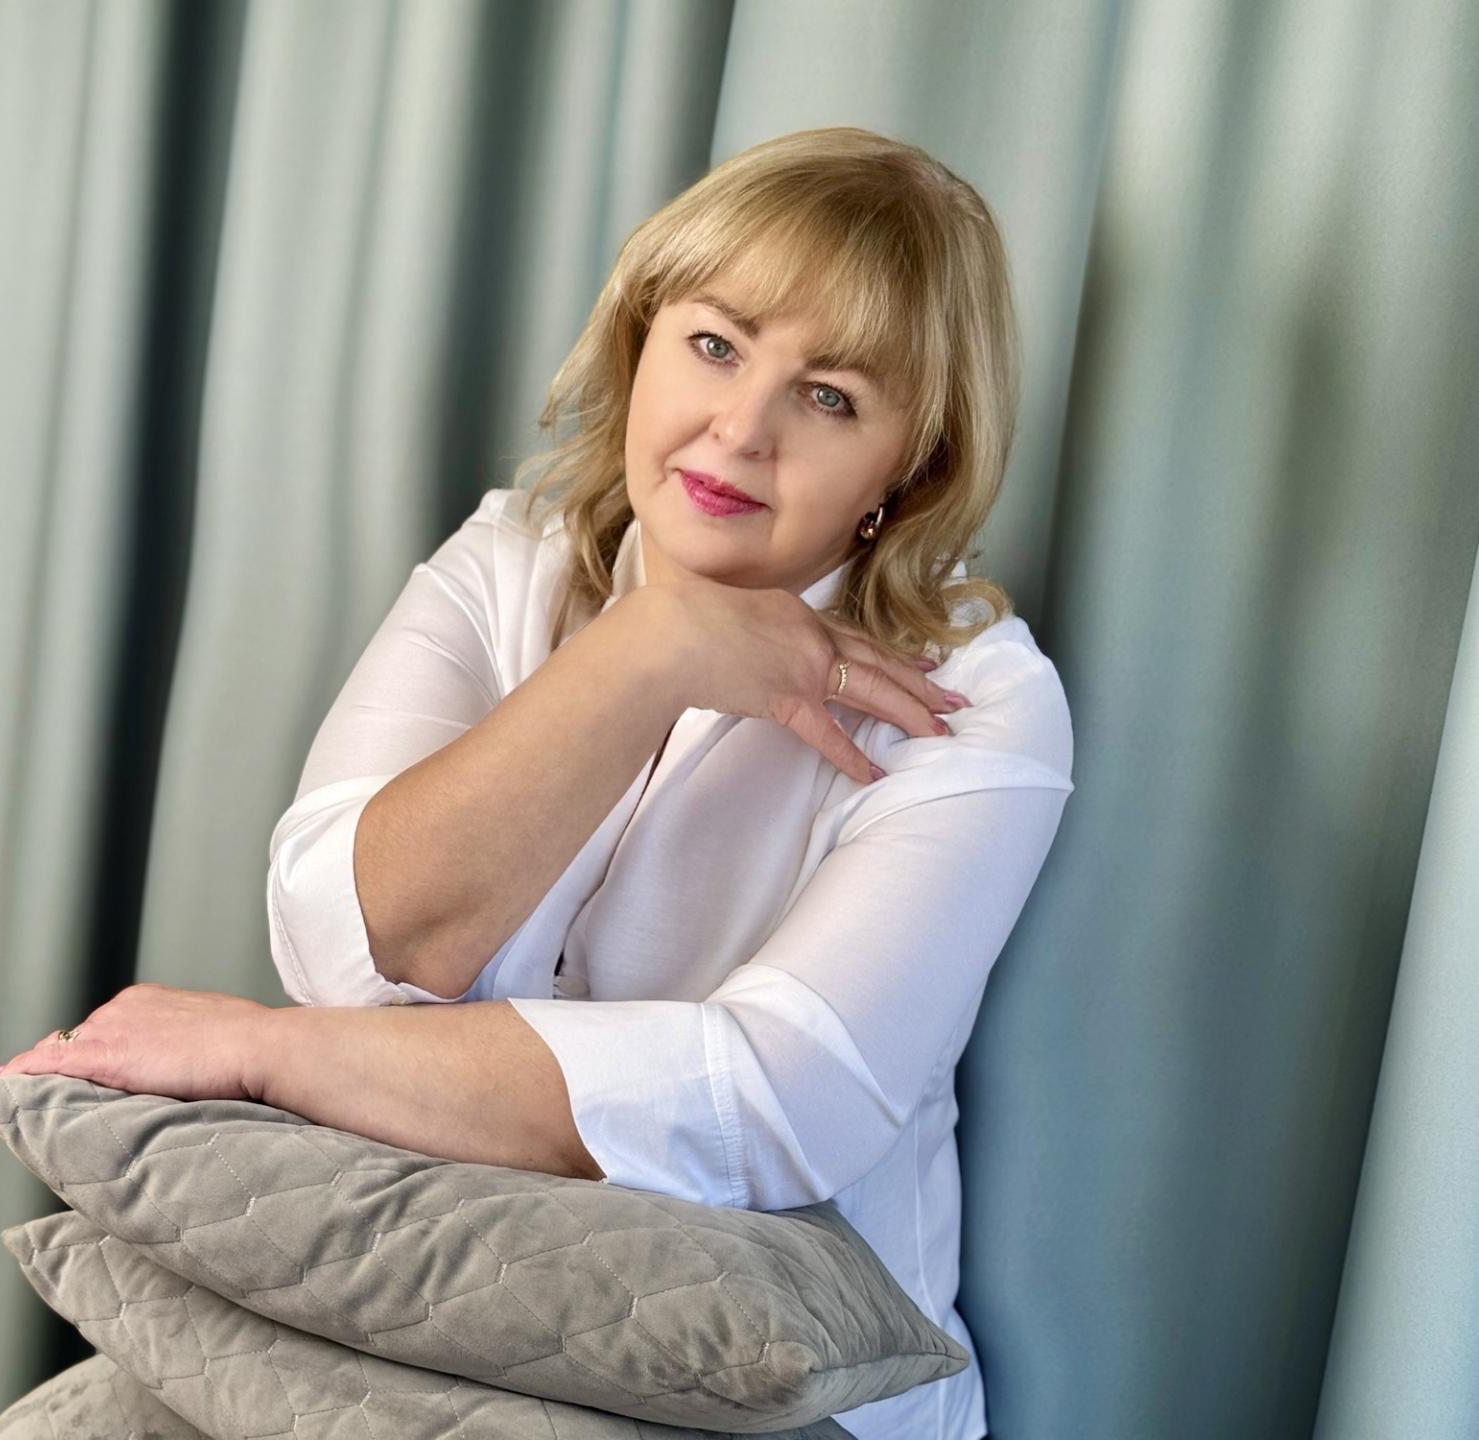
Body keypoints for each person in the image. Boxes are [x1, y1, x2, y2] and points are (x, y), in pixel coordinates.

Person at [265, 127, 1073, 1440]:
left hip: (788, 1405)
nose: (740, 429)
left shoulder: (980, 704)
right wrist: (646, 653)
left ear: (909, 469)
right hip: (449, 1327)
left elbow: (773, 1103)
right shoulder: (508, 563)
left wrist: (269, 1056)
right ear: (641, 340)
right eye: (714, 343)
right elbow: (348, 945)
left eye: (829, 397)